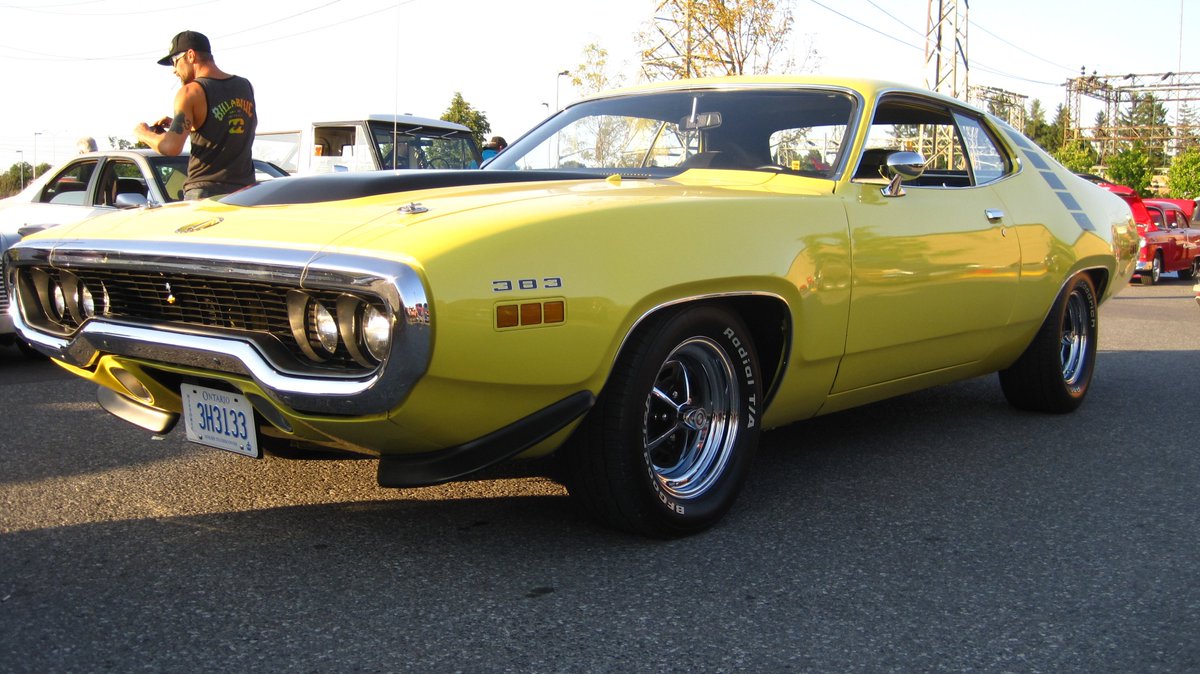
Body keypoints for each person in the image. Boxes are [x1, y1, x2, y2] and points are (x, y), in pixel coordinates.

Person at [135, 30, 257, 200]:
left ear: (190, 55)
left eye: (174, 61)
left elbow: (171, 147)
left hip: (205, 192)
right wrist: (188, 123)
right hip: (246, 192)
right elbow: (228, 123)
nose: (174, 70)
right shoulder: (245, 86)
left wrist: (143, 133)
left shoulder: (190, 92)